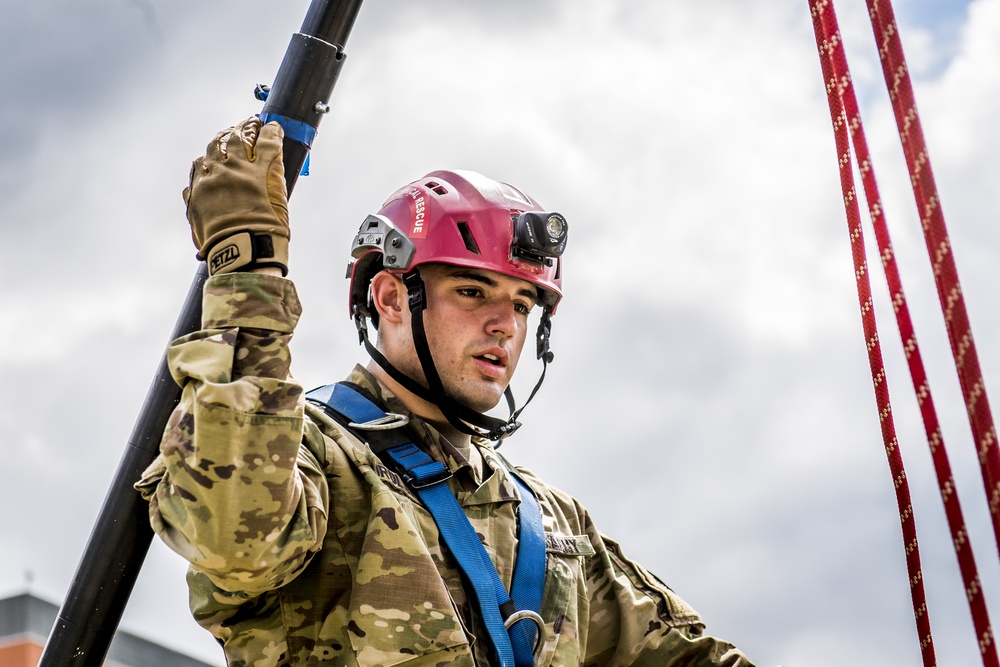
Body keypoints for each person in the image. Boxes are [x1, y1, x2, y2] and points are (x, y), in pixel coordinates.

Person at [137, 117, 756, 667]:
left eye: (522, 303)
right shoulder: (317, 459)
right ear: (388, 298)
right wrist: (248, 270)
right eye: (471, 291)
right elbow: (230, 532)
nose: (505, 325)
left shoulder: (550, 523)